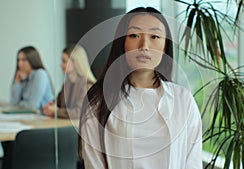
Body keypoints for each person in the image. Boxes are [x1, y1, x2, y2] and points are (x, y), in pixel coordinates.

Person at [79, 7, 202, 169]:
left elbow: (193, 162)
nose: (144, 45)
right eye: (134, 35)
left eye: (154, 36)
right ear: (122, 43)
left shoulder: (183, 100)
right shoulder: (99, 100)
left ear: (165, 47)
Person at [42, 44, 96, 119]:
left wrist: (56, 111)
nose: (61, 65)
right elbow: (58, 104)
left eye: (64, 61)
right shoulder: (67, 83)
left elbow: (79, 112)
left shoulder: (88, 85)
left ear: (76, 62)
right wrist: (51, 106)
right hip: (65, 125)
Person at [10, 46, 54, 111]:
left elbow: (32, 106)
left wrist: (20, 104)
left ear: (32, 60)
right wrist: (17, 82)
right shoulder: (24, 76)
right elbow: (13, 103)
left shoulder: (40, 74)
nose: (19, 63)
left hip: (43, 117)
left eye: (23, 60)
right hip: (29, 115)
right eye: (18, 60)